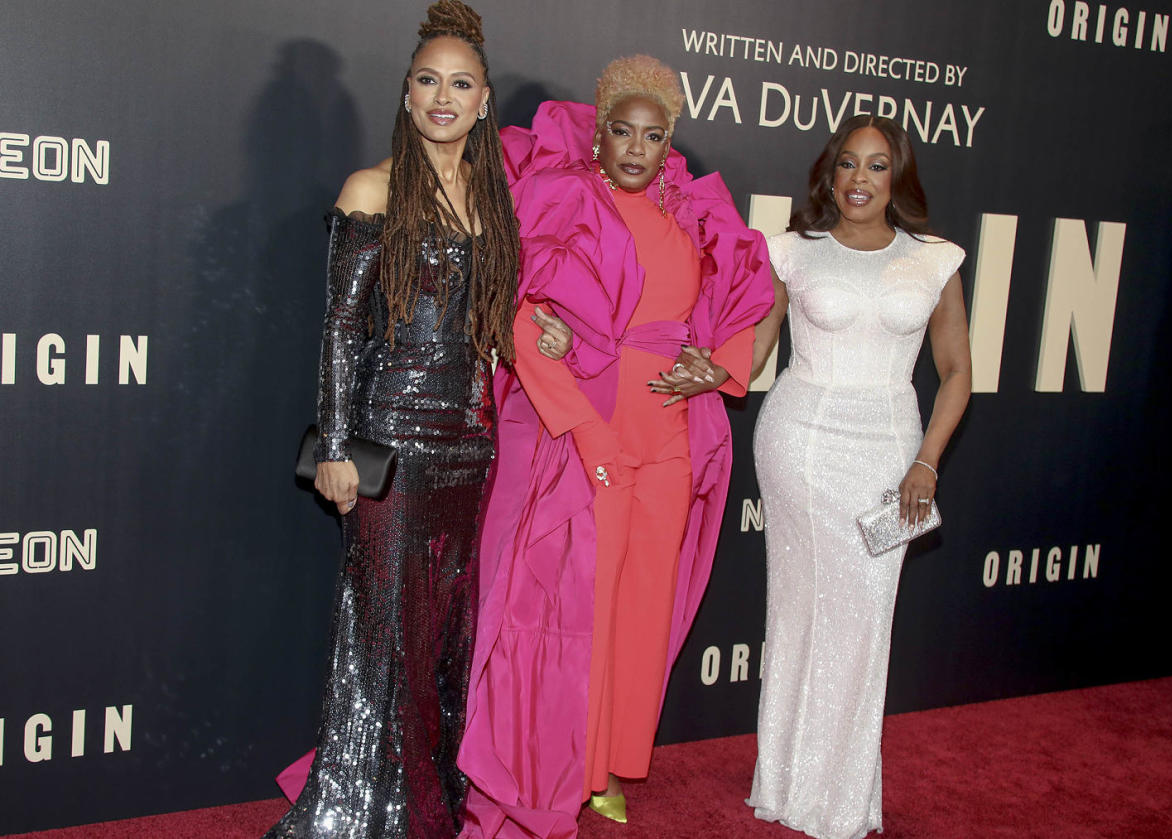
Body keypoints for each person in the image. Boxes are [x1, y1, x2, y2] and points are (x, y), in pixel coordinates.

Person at [263, 3, 571, 837]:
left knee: (441, 632)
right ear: (407, 95)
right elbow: (339, 327)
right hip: (389, 442)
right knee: (385, 632)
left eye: (460, 83)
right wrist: (333, 447)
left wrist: (533, 323)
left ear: (483, 102)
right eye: (428, 80)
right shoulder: (372, 188)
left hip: (469, 447)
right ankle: (371, 814)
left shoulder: (492, 199)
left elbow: (484, 314)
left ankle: (422, 808)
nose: (444, 96)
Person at [457, 56, 773, 837]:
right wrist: (575, 404)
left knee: (641, 605)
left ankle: (609, 769)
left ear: (671, 143)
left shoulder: (696, 218)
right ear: (598, 135)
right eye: (622, 131)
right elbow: (515, 308)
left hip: (666, 435)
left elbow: (756, 298)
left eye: (653, 135)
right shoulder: (562, 199)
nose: (636, 147)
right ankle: (569, 762)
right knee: (581, 609)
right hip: (588, 431)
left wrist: (722, 367)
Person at [746, 115, 971, 839]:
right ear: (829, 172)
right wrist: (694, 369)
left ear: (897, 177)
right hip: (799, 444)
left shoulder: (933, 262)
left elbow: (958, 373)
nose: (860, 180)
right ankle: (783, 783)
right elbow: (753, 349)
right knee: (800, 611)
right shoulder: (791, 252)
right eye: (848, 164)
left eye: (877, 166)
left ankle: (840, 797)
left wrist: (927, 460)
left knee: (867, 615)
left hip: (892, 455)